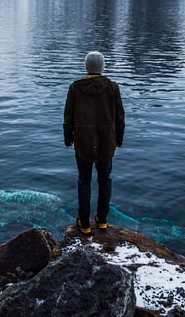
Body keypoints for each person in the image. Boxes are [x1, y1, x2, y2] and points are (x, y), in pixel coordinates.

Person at [63, 51, 125, 234]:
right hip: (107, 141)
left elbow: (68, 116)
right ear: (102, 67)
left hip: (83, 141)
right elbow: (120, 116)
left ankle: (84, 223)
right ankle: (102, 219)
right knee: (105, 179)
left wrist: (68, 138)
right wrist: (118, 139)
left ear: (86, 66)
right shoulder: (112, 87)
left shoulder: (75, 87)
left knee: (84, 181)